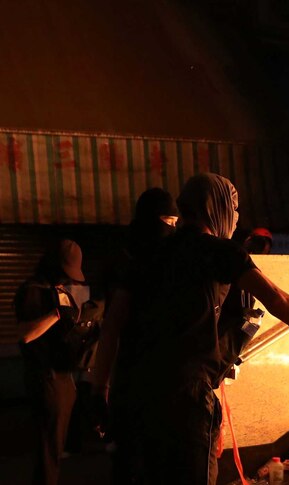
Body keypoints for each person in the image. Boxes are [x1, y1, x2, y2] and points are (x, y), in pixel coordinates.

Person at [94, 173, 289, 485]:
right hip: (184, 399)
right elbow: (277, 299)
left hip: (134, 395)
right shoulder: (219, 252)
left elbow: (112, 326)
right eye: (235, 207)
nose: (237, 216)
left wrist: (98, 390)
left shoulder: (147, 254)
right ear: (218, 207)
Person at [96, 187, 179, 484]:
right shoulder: (129, 262)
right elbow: (112, 328)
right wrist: (100, 388)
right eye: (167, 222)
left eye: (175, 223)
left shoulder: (166, 259)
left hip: (153, 387)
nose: (171, 229)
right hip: (133, 386)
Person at [16, 238, 95, 485]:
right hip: (45, 378)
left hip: (65, 377)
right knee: (48, 452)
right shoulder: (34, 290)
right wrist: (58, 313)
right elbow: (26, 334)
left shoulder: (65, 288)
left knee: (55, 450)